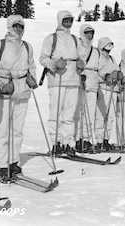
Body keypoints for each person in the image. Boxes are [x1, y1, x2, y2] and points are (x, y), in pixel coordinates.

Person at [0, 15, 37, 180]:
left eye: (21, 26)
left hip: (22, 90)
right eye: (15, 25)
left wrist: (32, 78)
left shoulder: (27, 47)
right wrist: (1, 85)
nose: (18, 29)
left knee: (17, 130)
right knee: (2, 128)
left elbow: (31, 66)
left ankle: (13, 161)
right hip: (5, 91)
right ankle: (2, 164)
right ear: (9, 26)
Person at [39, 10, 85, 154]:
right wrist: (53, 64)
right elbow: (43, 58)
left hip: (73, 80)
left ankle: (69, 143)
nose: (68, 22)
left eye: (70, 20)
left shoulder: (75, 39)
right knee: (55, 113)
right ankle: (55, 143)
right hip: (57, 79)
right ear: (59, 20)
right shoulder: (51, 38)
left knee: (69, 114)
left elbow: (81, 57)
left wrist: (80, 64)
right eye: (65, 20)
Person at [74, 24, 100, 152]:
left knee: (91, 112)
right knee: (79, 113)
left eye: (92, 33)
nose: (90, 35)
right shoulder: (77, 46)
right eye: (87, 32)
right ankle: (78, 139)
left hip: (93, 84)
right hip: (81, 81)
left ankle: (87, 139)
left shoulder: (95, 51)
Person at [96, 37, 120, 151]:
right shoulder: (98, 57)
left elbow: (116, 69)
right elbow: (98, 71)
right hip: (103, 88)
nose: (108, 51)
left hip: (113, 89)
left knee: (110, 117)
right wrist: (106, 75)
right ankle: (98, 140)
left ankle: (106, 139)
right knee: (101, 116)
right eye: (106, 48)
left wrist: (118, 75)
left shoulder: (112, 58)